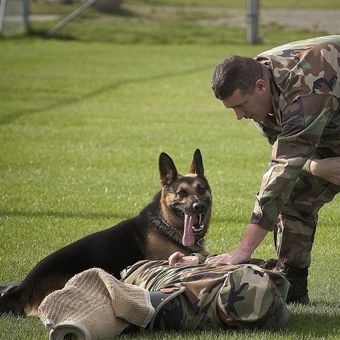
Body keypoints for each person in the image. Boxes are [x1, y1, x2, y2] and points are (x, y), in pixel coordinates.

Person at [208, 35, 340, 304]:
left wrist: (243, 250)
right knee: (294, 194)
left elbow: (281, 171)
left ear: (260, 86)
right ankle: (293, 284)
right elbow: (287, 158)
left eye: (240, 106)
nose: (239, 116)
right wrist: (316, 165)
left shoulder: (305, 83)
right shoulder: (261, 89)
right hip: (329, 129)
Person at [38, 253, 290, 339]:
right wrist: (197, 260)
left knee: (93, 281)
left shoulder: (179, 311)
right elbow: (250, 268)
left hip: (137, 276)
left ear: (231, 321)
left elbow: (133, 309)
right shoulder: (260, 285)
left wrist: (79, 326)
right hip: (161, 266)